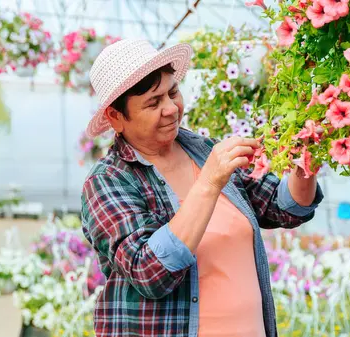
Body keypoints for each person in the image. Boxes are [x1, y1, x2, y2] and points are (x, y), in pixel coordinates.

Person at [80, 39, 324, 337]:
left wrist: (305, 166)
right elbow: (149, 272)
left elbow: (283, 207)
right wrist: (209, 183)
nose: (171, 109)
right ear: (116, 117)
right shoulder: (108, 181)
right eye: (153, 102)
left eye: (173, 92)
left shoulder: (202, 149)